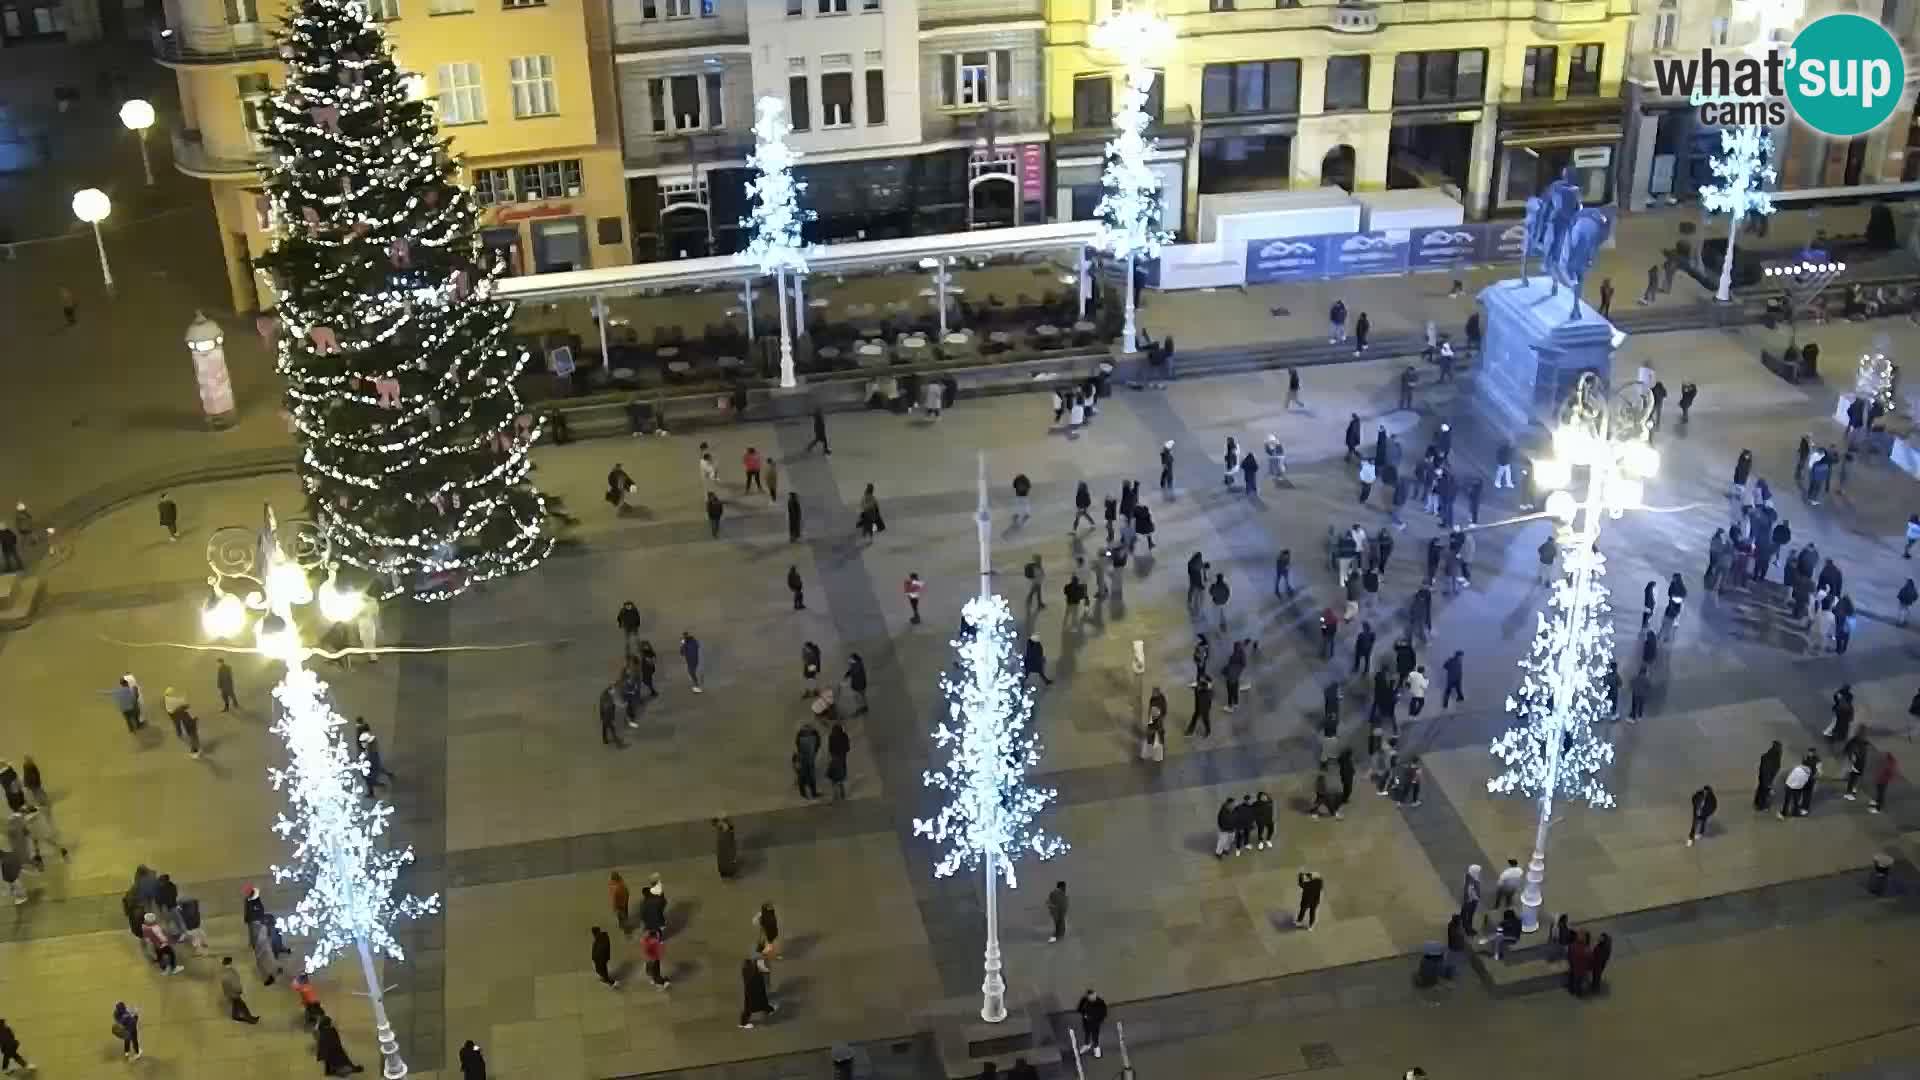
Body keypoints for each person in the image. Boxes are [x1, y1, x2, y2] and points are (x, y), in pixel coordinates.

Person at [220, 957, 261, 1024]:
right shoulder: (231, 972)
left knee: (236, 1004)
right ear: (230, 962)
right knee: (243, 1006)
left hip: (229, 992)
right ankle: (251, 1020)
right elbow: (235, 983)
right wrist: (240, 990)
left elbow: (224, 983)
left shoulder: (224, 972)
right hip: (234, 993)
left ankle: (235, 1016)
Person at [1076, 989, 1108, 1058]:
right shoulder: (1084, 1000)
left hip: (1095, 1023)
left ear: (1095, 995)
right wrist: (1084, 1014)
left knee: (1095, 1036)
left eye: (1093, 996)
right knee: (1087, 1034)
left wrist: (1096, 1019)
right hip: (1086, 1023)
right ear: (1087, 996)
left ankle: (1096, 1049)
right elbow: (1079, 1009)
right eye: (1089, 997)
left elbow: (1104, 1014)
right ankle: (1087, 1045)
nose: (1091, 998)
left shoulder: (1100, 1002)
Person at [1755, 741, 1783, 811]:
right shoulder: (1775, 756)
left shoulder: (1768, 755)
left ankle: (1758, 802)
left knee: (1761, 788)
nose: (1781, 750)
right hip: (1767, 776)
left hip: (1763, 775)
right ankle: (1762, 806)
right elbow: (1772, 768)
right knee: (1765, 791)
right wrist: (1769, 782)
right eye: (1780, 748)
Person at [1567, 930, 1592, 996]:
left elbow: (1569, 956)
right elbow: (1590, 960)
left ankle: (1573, 991)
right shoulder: (1587, 949)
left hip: (1575, 967)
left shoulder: (1573, 946)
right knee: (1578, 982)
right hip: (1580, 969)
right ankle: (1578, 993)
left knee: (1574, 980)